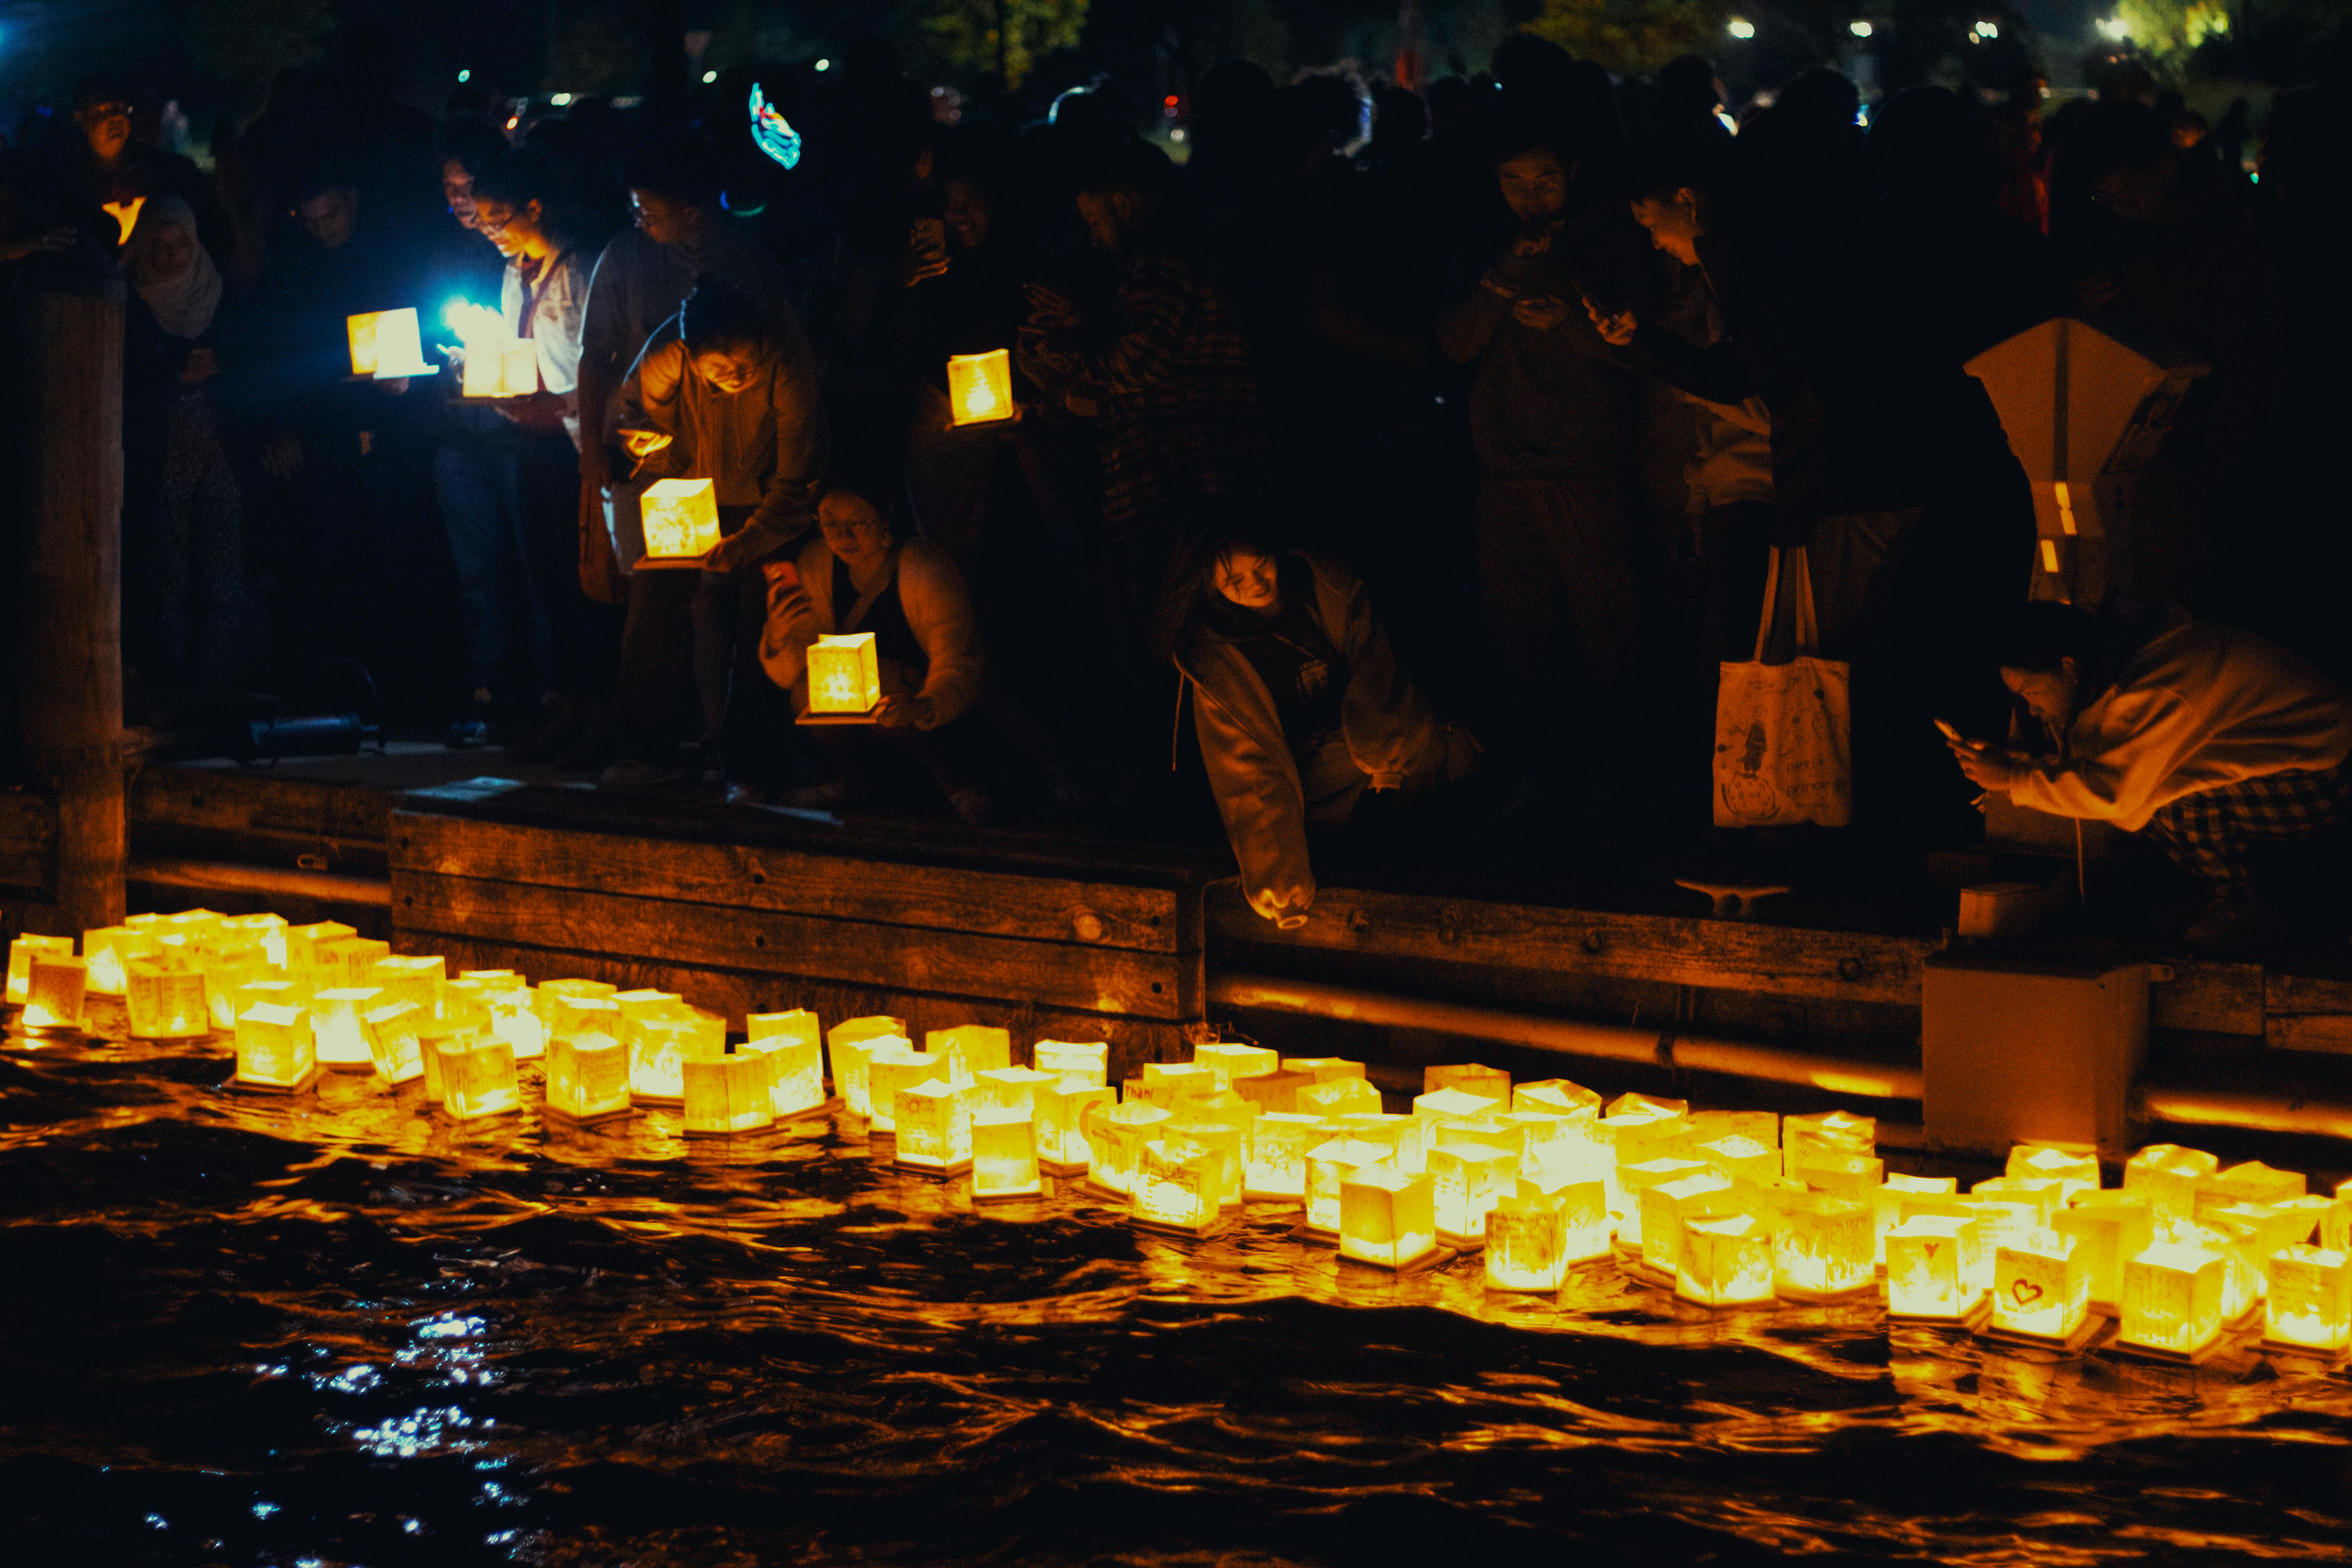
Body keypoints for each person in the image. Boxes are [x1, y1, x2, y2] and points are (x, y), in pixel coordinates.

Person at [1438, 123, 1645, 810]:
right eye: (1514, 181)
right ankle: (1530, 771)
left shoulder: (1614, 243)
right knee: (1517, 630)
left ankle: (1614, 778)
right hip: (1504, 469)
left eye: (1545, 179)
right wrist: (1500, 281)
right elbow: (1456, 346)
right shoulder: (1486, 249)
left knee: (1605, 632)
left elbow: (1644, 355)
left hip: (1585, 465)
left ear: (1574, 172)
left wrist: (1569, 322)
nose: (1529, 195)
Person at [1950, 601, 2352, 945]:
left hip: (2321, 770)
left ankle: (2241, 902)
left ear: (2069, 666)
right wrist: (2017, 767)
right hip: (2271, 757)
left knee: (2173, 801)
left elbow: (2112, 792)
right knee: (2148, 800)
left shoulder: (2153, 688)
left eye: (2032, 692)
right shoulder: (2113, 669)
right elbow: (2107, 773)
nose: (2033, 710)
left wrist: (2012, 779)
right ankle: (2215, 892)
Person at [1162, 530, 1470, 928]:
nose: (1256, 584)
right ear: (1212, 589)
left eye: (1261, 566)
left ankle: (1442, 841)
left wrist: (1384, 755)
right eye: (1235, 581)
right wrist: (1281, 887)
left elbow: (1378, 669)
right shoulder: (1218, 658)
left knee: (1442, 736)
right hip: (1309, 786)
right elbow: (1249, 772)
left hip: (1376, 750)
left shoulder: (1322, 590)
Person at [610, 275, 827, 790]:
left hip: (772, 511)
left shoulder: (788, 367)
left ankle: (755, 767)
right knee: (652, 604)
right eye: (720, 368)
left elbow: (798, 480)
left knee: (762, 629)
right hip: (694, 505)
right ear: (692, 355)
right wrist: (643, 447)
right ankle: (644, 755)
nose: (735, 376)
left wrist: (747, 542)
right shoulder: (666, 354)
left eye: (745, 365)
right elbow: (644, 426)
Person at [465, 150, 614, 759]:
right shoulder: (515, 272)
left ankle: (603, 711)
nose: (493, 233)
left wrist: (557, 407)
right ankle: (567, 706)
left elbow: (602, 356)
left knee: (588, 583)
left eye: (501, 219)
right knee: (548, 579)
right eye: (484, 222)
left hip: (579, 446)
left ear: (534, 207)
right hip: (531, 443)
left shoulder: (577, 269)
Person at [756, 485, 988, 822]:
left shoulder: (924, 566)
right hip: (855, 703)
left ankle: (954, 780)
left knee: (888, 685)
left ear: (885, 519)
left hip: (917, 695)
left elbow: (959, 656)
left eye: (858, 523)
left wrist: (925, 705)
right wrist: (778, 639)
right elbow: (794, 670)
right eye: (831, 524)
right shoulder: (817, 562)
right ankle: (852, 780)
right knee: (807, 691)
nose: (843, 535)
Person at [121, 193, 263, 715]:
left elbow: (255, 357)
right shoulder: (131, 300)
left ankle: (219, 678)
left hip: (222, 443)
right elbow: (122, 374)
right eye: (156, 245)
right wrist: (170, 376)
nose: (169, 257)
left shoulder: (220, 293)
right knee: (166, 562)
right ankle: (170, 680)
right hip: (160, 447)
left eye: (179, 243)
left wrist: (219, 366)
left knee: (224, 560)